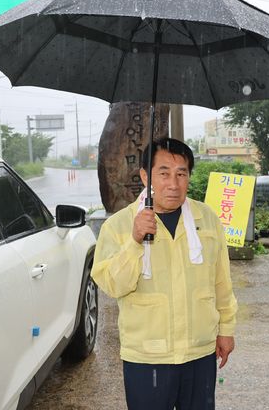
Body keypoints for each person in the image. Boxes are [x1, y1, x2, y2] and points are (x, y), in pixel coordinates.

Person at [91, 137, 238, 410]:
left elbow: (221, 282)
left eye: (181, 173)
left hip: (199, 351)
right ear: (145, 176)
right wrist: (134, 240)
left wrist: (226, 330)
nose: (174, 183)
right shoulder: (118, 225)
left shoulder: (206, 219)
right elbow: (113, 285)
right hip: (147, 357)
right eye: (164, 173)